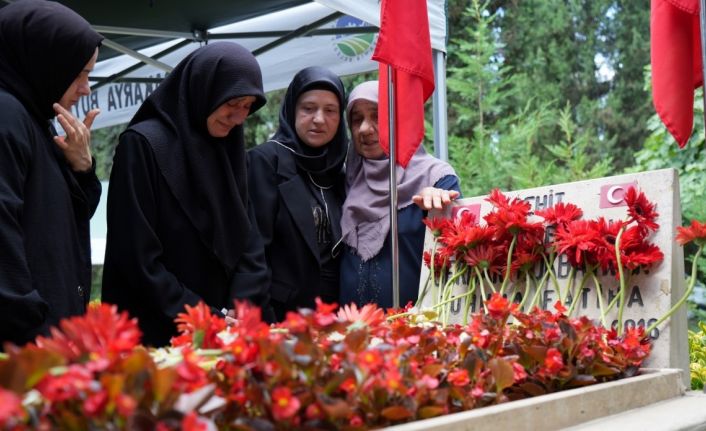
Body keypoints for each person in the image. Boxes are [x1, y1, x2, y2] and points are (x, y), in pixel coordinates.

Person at [102, 42, 273, 346]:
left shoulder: (228, 146)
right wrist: (204, 317)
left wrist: (240, 306)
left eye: (248, 106)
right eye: (233, 102)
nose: (238, 117)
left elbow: (247, 238)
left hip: (223, 333)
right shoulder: (143, 145)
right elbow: (137, 258)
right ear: (205, 88)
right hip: (159, 332)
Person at [0, 0, 103, 345]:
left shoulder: (33, 118)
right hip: (26, 347)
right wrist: (36, 337)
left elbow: (62, 223)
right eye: (80, 73)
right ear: (47, 62)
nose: (86, 88)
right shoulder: (7, 115)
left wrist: (82, 167)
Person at [340, 81, 460, 309]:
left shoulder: (435, 178)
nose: (365, 128)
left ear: (399, 120)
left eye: (377, 116)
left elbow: (454, 257)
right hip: (351, 333)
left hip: (411, 332)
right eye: (357, 119)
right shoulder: (346, 180)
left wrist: (437, 205)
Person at [247, 67, 348, 321]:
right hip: (282, 316)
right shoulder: (265, 162)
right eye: (308, 108)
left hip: (336, 316)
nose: (319, 119)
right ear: (292, 109)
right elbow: (253, 251)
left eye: (330, 110)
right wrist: (265, 321)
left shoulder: (340, 169)